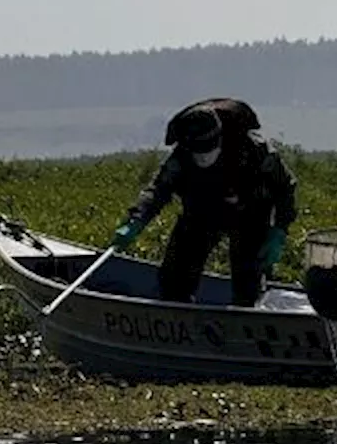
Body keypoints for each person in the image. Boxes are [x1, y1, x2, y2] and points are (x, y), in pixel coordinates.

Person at [111, 98, 298, 306]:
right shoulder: (180, 158)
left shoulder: (256, 151)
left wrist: (279, 231)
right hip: (201, 214)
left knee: (249, 282)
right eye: (197, 151)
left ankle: (249, 316)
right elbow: (158, 190)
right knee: (175, 276)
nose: (203, 157)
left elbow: (285, 188)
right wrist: (135, 220)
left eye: (208, 148)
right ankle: (177, 314)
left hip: (250, 215)